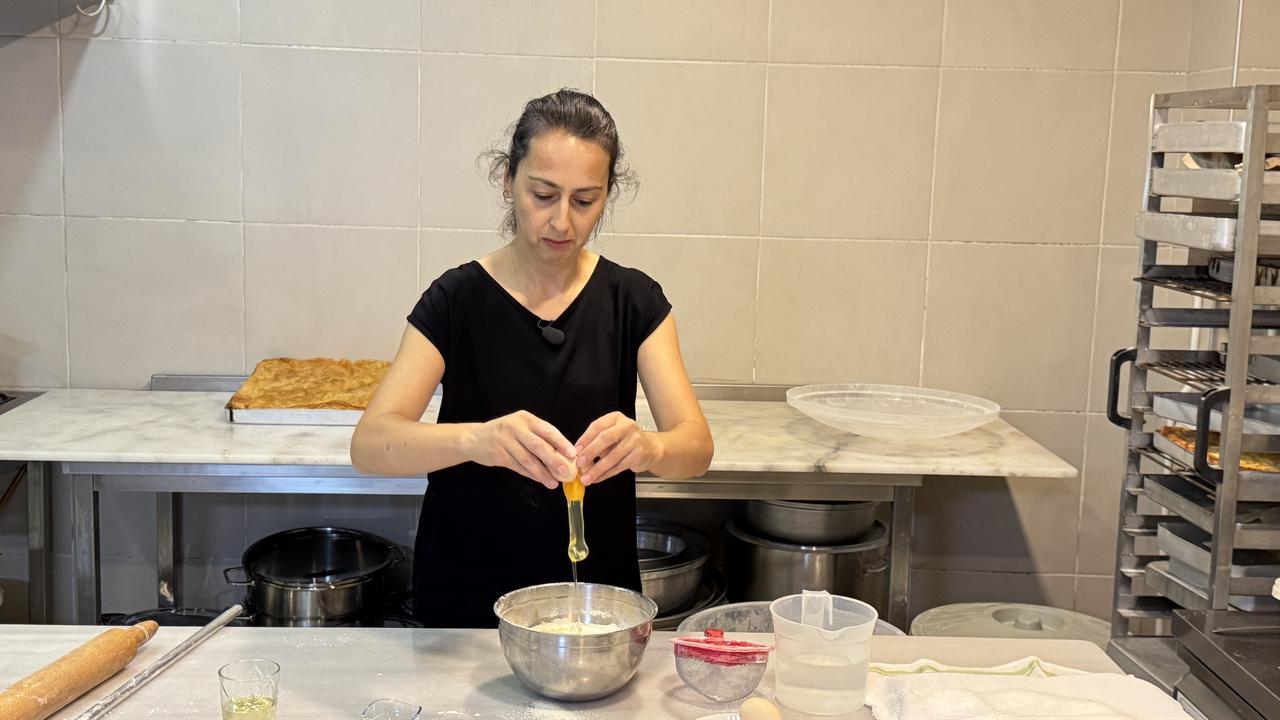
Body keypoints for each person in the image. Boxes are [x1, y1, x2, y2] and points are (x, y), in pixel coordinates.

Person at [350, 88, 714, 627]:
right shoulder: (456, 301)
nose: (561, 222)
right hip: (466, 601)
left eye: (584, 200)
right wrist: (480, 439)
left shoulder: (634, 302)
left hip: (592, 604)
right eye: (543, 194)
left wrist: (648, 446)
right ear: (507, 179)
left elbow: (696, 448)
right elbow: (371, 445)